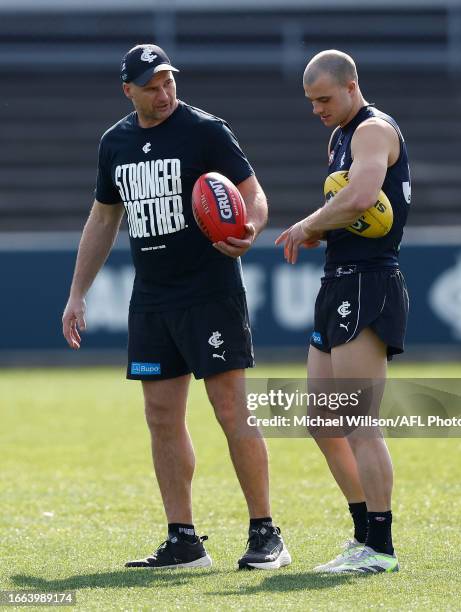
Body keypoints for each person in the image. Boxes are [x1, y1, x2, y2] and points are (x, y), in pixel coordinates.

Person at [62, 43, 290, 571]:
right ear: (128, 91)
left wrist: (250, 227)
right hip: (152, 298)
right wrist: (77, 293)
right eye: (151, 85)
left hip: (210, 290)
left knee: (231, 408)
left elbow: (252, 193)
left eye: (168, 82)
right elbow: (102, 219)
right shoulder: (114, 143)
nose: (163, 93)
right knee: (161, 416)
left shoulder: (206, 130)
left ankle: (266, 532)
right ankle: (184, 540)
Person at [276, 49, 410, 574]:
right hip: (338, 280)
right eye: (311, 102)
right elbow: (350, 211)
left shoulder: (373, 130)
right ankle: (362, 535)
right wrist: (324, 232)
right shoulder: (338, 136)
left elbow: (361, 195)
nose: (317, 109)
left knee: (358, 421)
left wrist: (309, 224)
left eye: (324, 99)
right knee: (322, 421)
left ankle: (381, 547)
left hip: (370, 281)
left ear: (352, 86)